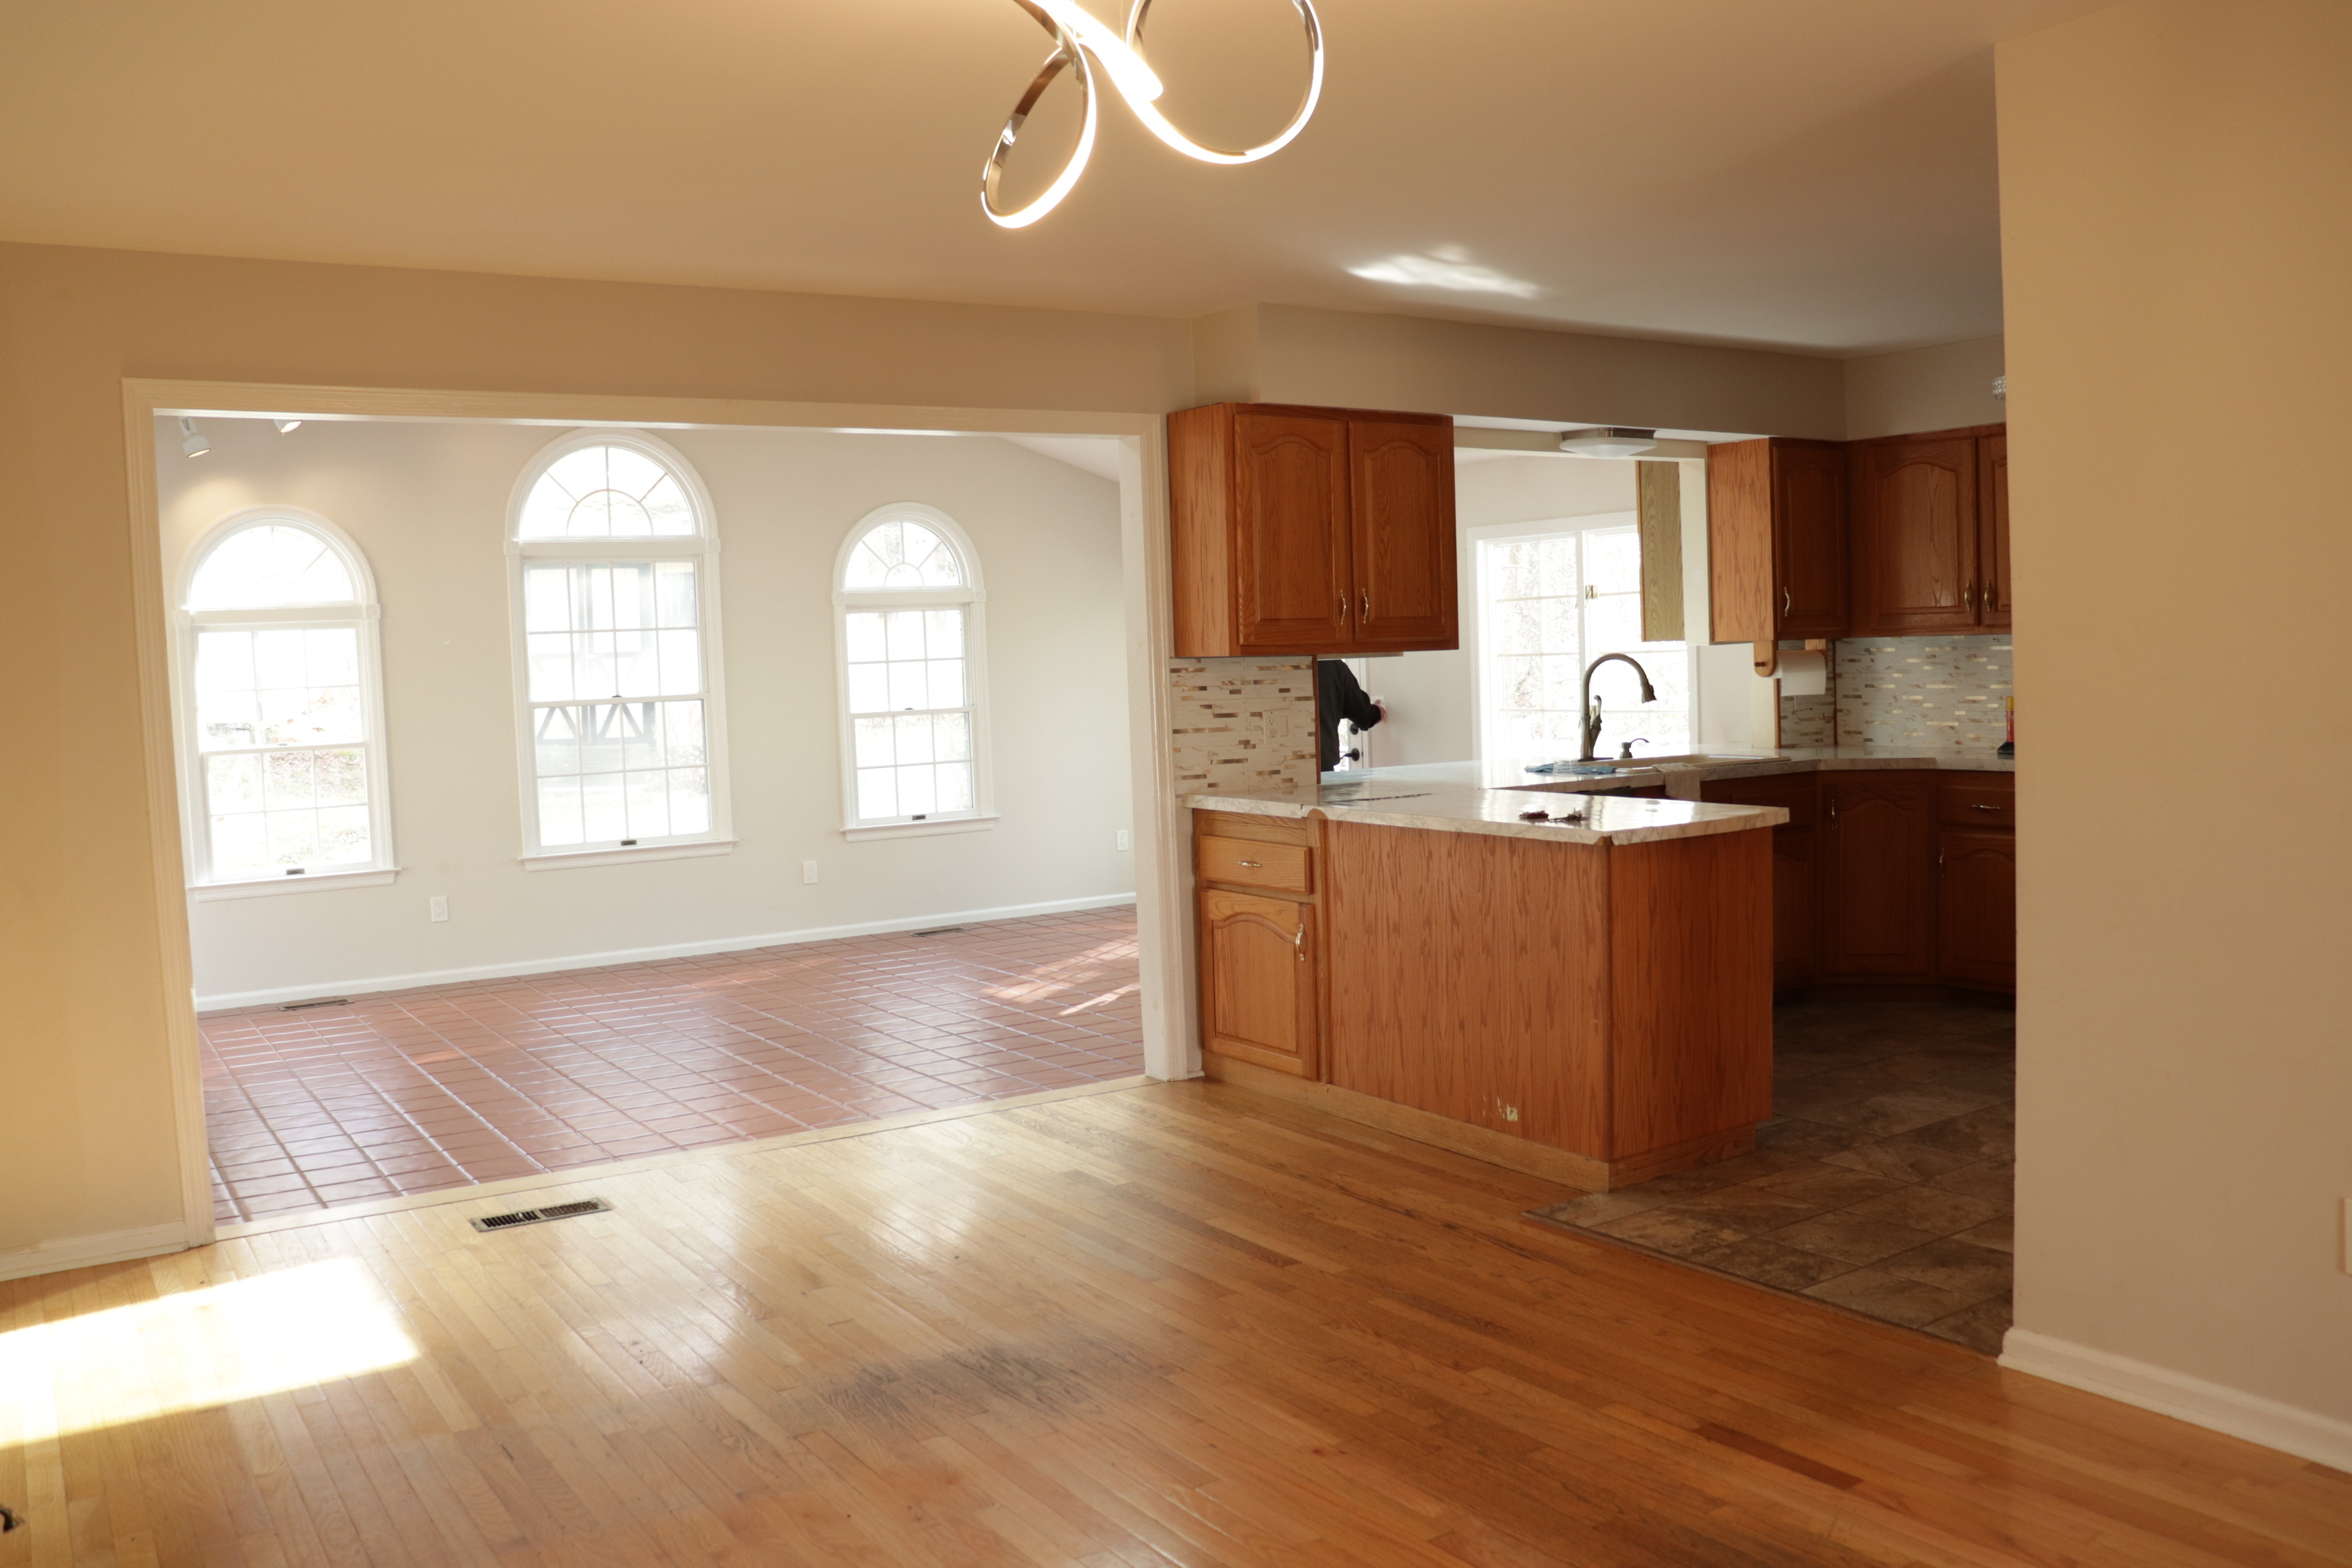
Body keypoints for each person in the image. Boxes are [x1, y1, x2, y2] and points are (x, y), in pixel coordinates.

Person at [1316, 658, 1384, 771]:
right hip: (1321, 768)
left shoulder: (1278, 663)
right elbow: (1363, 715)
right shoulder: (1331, 664)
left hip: (1280, 765)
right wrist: (1377, 712)